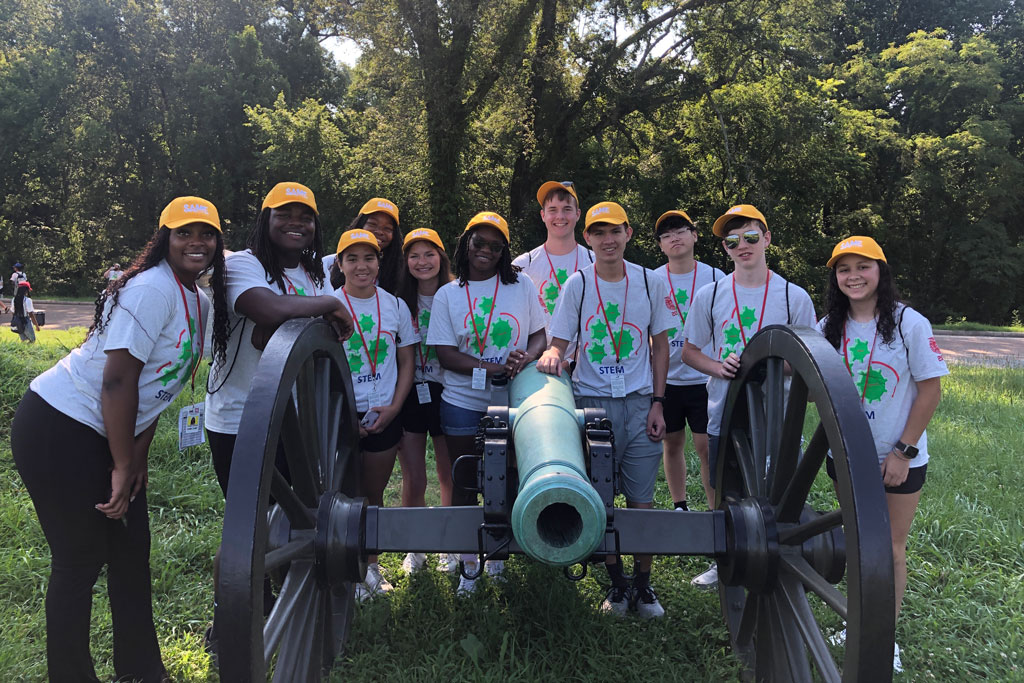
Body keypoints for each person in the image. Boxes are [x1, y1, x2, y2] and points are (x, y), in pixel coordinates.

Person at [11, 196, 229, 682]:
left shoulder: (199, 300)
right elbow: (117, 382)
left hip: (108, 432)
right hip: (59, 425)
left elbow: (159, 388)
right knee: (79, 559)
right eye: (184, 233)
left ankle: (141, 670)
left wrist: (136, 457)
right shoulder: (152, 289)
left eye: (207, 234)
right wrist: (121, 462)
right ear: (164, 239)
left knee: (131, 554)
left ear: (218, 242)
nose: (197, 242)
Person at [203, 182, 353, 651]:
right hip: (240, 416)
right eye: (284, 215)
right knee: (246, 523)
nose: (296, 224)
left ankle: (293, 602)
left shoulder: (314, 274)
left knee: (296, 520)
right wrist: (328, 304)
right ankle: (235, 613)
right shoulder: (242, 264)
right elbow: (264, 310)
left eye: (305, 217)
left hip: (295, 418)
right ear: (264, 220)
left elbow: (313, 339)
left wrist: (314, 306)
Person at [537, 201, 673, 619]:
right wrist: (550, 356)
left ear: (628, 234)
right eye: (598, 233)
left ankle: (644, 585)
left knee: (642, 499)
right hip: (591, 403)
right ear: (588, 239)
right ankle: (616, 586)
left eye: (615, 231)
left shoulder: (650, 283)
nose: (607, 240)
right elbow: (559, 340)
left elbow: (661, 344)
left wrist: (658, 401)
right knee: (601, 496)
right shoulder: (577, 284)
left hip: (638, 403)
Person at [818, 236, 947, 673]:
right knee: (859, 543)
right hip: (848, 455)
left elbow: (931, 389)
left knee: (890, 547)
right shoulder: (827, 326)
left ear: (881, 271)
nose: (853, 276)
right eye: (843, 269)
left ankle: (882, 634)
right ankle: (858, 621)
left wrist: (903, 452)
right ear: (836, 278)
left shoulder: (909, 322)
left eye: (863, 267)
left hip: (898, 456)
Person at [681, 204, 816, 590]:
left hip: (777, 414)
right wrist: (717, 367)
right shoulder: (712, 294)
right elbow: (690, 352)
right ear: (725, 249)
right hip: (725, 408)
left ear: (767, 239)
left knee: (778, 492)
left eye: (752, 237)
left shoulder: (793, 296)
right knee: (726, 488)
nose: (743, 246)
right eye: (733, 241)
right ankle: (723, 558)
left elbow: (812, 360)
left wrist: (774, 365)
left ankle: (778, 562)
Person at [427, 211, 547, 594]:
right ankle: (467, 563)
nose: (487, 251)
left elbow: (540, 336)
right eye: (479, 243)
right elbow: (445, 353)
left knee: (508, 477)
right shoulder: (449, 293)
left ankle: (497, 556)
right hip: (462, 401)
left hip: (513, 400)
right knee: (464, 480)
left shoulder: (522, 285)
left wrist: (524, 358)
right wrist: (489, 365)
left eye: (496, 246)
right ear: (466, 244)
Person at [333, 229, 417, 599]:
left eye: (368, 258)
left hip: (384, 411)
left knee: (372, 494)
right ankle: (342, 567)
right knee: (339, 492)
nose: (361, 266)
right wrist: (345, 412)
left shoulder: (395, 306)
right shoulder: (327, 305)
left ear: (379, 262)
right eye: (352, 259)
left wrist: (395, 407)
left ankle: (371, 567)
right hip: (338, 413)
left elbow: (406, 359)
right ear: (340, 264)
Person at [652, 210, 724, 512]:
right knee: (672, 442)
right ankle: (680, 505)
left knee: (707, 447)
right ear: (661, 245)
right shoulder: (652, 279)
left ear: (695, 236)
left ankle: (713, 510)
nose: (674, 238)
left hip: (704, 377)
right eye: (666, 235)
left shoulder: (716, 277)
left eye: (681, 231)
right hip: (668, 378)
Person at [395, 228, 456, 574]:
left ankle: (449, 545)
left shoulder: (457, 294)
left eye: (429, 254)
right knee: (414, 476)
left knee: (449, 474)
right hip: (412, 390)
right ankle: (415, 547)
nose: (422, 262)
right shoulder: (398, 300)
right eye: (414, 255)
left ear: (441, 257)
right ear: (406, 261)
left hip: (449, 390)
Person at [512, 180, 593, 328]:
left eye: (567, 209)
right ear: (543, 215)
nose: (560, 216)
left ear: (578, 214)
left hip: (586, 351)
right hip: (539, 351)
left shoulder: (595, 262)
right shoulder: (523, 265)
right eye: (553, 210)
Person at [327, 197, 406, 294]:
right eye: (372, 224)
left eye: (387, 228)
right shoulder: (328, 263)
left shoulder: (401, 271)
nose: (380, 232)